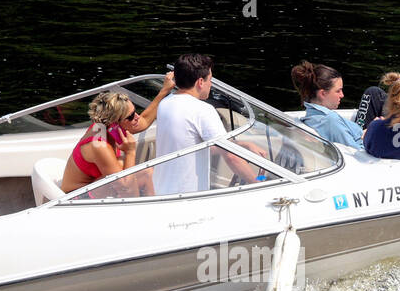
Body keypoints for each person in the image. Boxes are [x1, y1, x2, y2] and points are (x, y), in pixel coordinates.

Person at [153, 53, 260, 194]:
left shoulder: (165, 104)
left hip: (162, 191)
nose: (211, 84)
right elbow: (231, 156)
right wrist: (258, 182)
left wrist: (243, 145)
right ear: (200, 82)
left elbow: (192, 144)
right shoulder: (203, 110)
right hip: (188, 197)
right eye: (210, 79)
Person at [61, 74, 174, 196]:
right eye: (130, 117)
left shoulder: (107, 126)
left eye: (135, 112)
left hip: (92, 189)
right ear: (114, 123)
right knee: (142, 174)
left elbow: (144, 121)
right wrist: (131, 152)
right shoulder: (99, 146)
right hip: (73, 198)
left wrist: (165, 90)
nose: (137, 117)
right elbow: (127, 190)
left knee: (139, 172)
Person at [291, 61, 362, 148]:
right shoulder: (330, 121)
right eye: (338, 91)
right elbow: (356, 152)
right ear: (323, 94)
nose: (342, 95)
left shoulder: (312, 116)